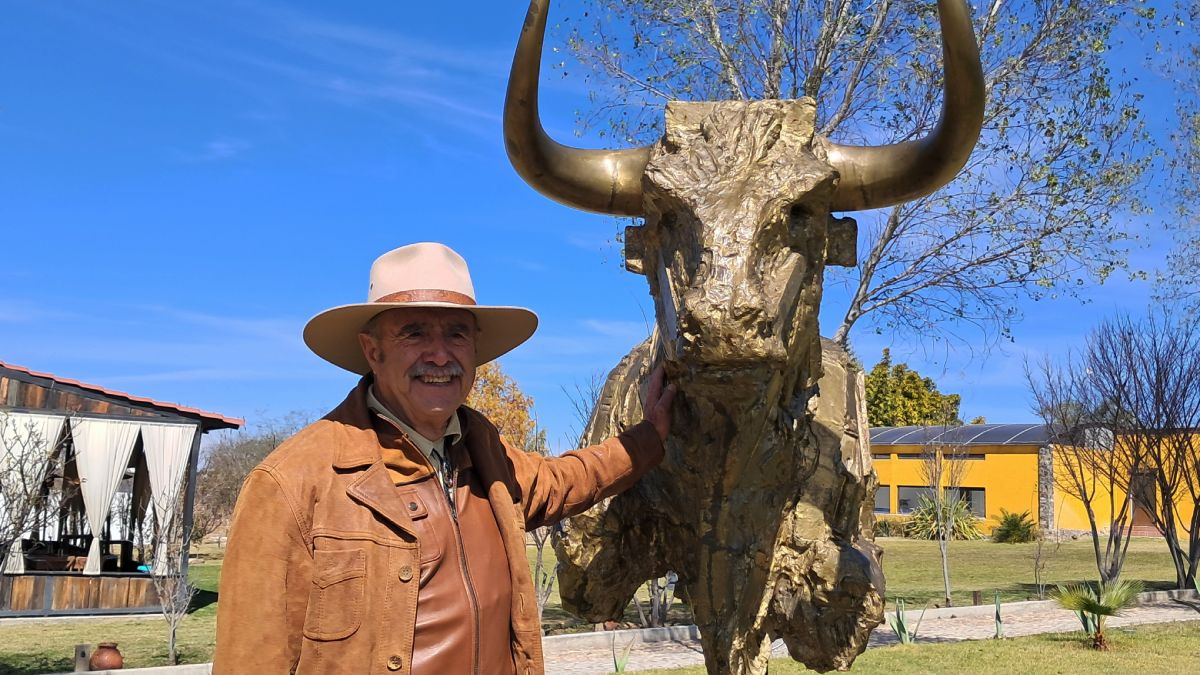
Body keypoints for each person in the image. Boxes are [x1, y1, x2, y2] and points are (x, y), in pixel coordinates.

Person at [213, 242, 676, 674]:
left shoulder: (484, 453)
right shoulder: (292, 481)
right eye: (414, 332)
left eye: (456, 333)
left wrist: (650, 438)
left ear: (475, 350)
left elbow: (567, 479)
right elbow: (251, 658)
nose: (439, 355)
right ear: (372, 351)